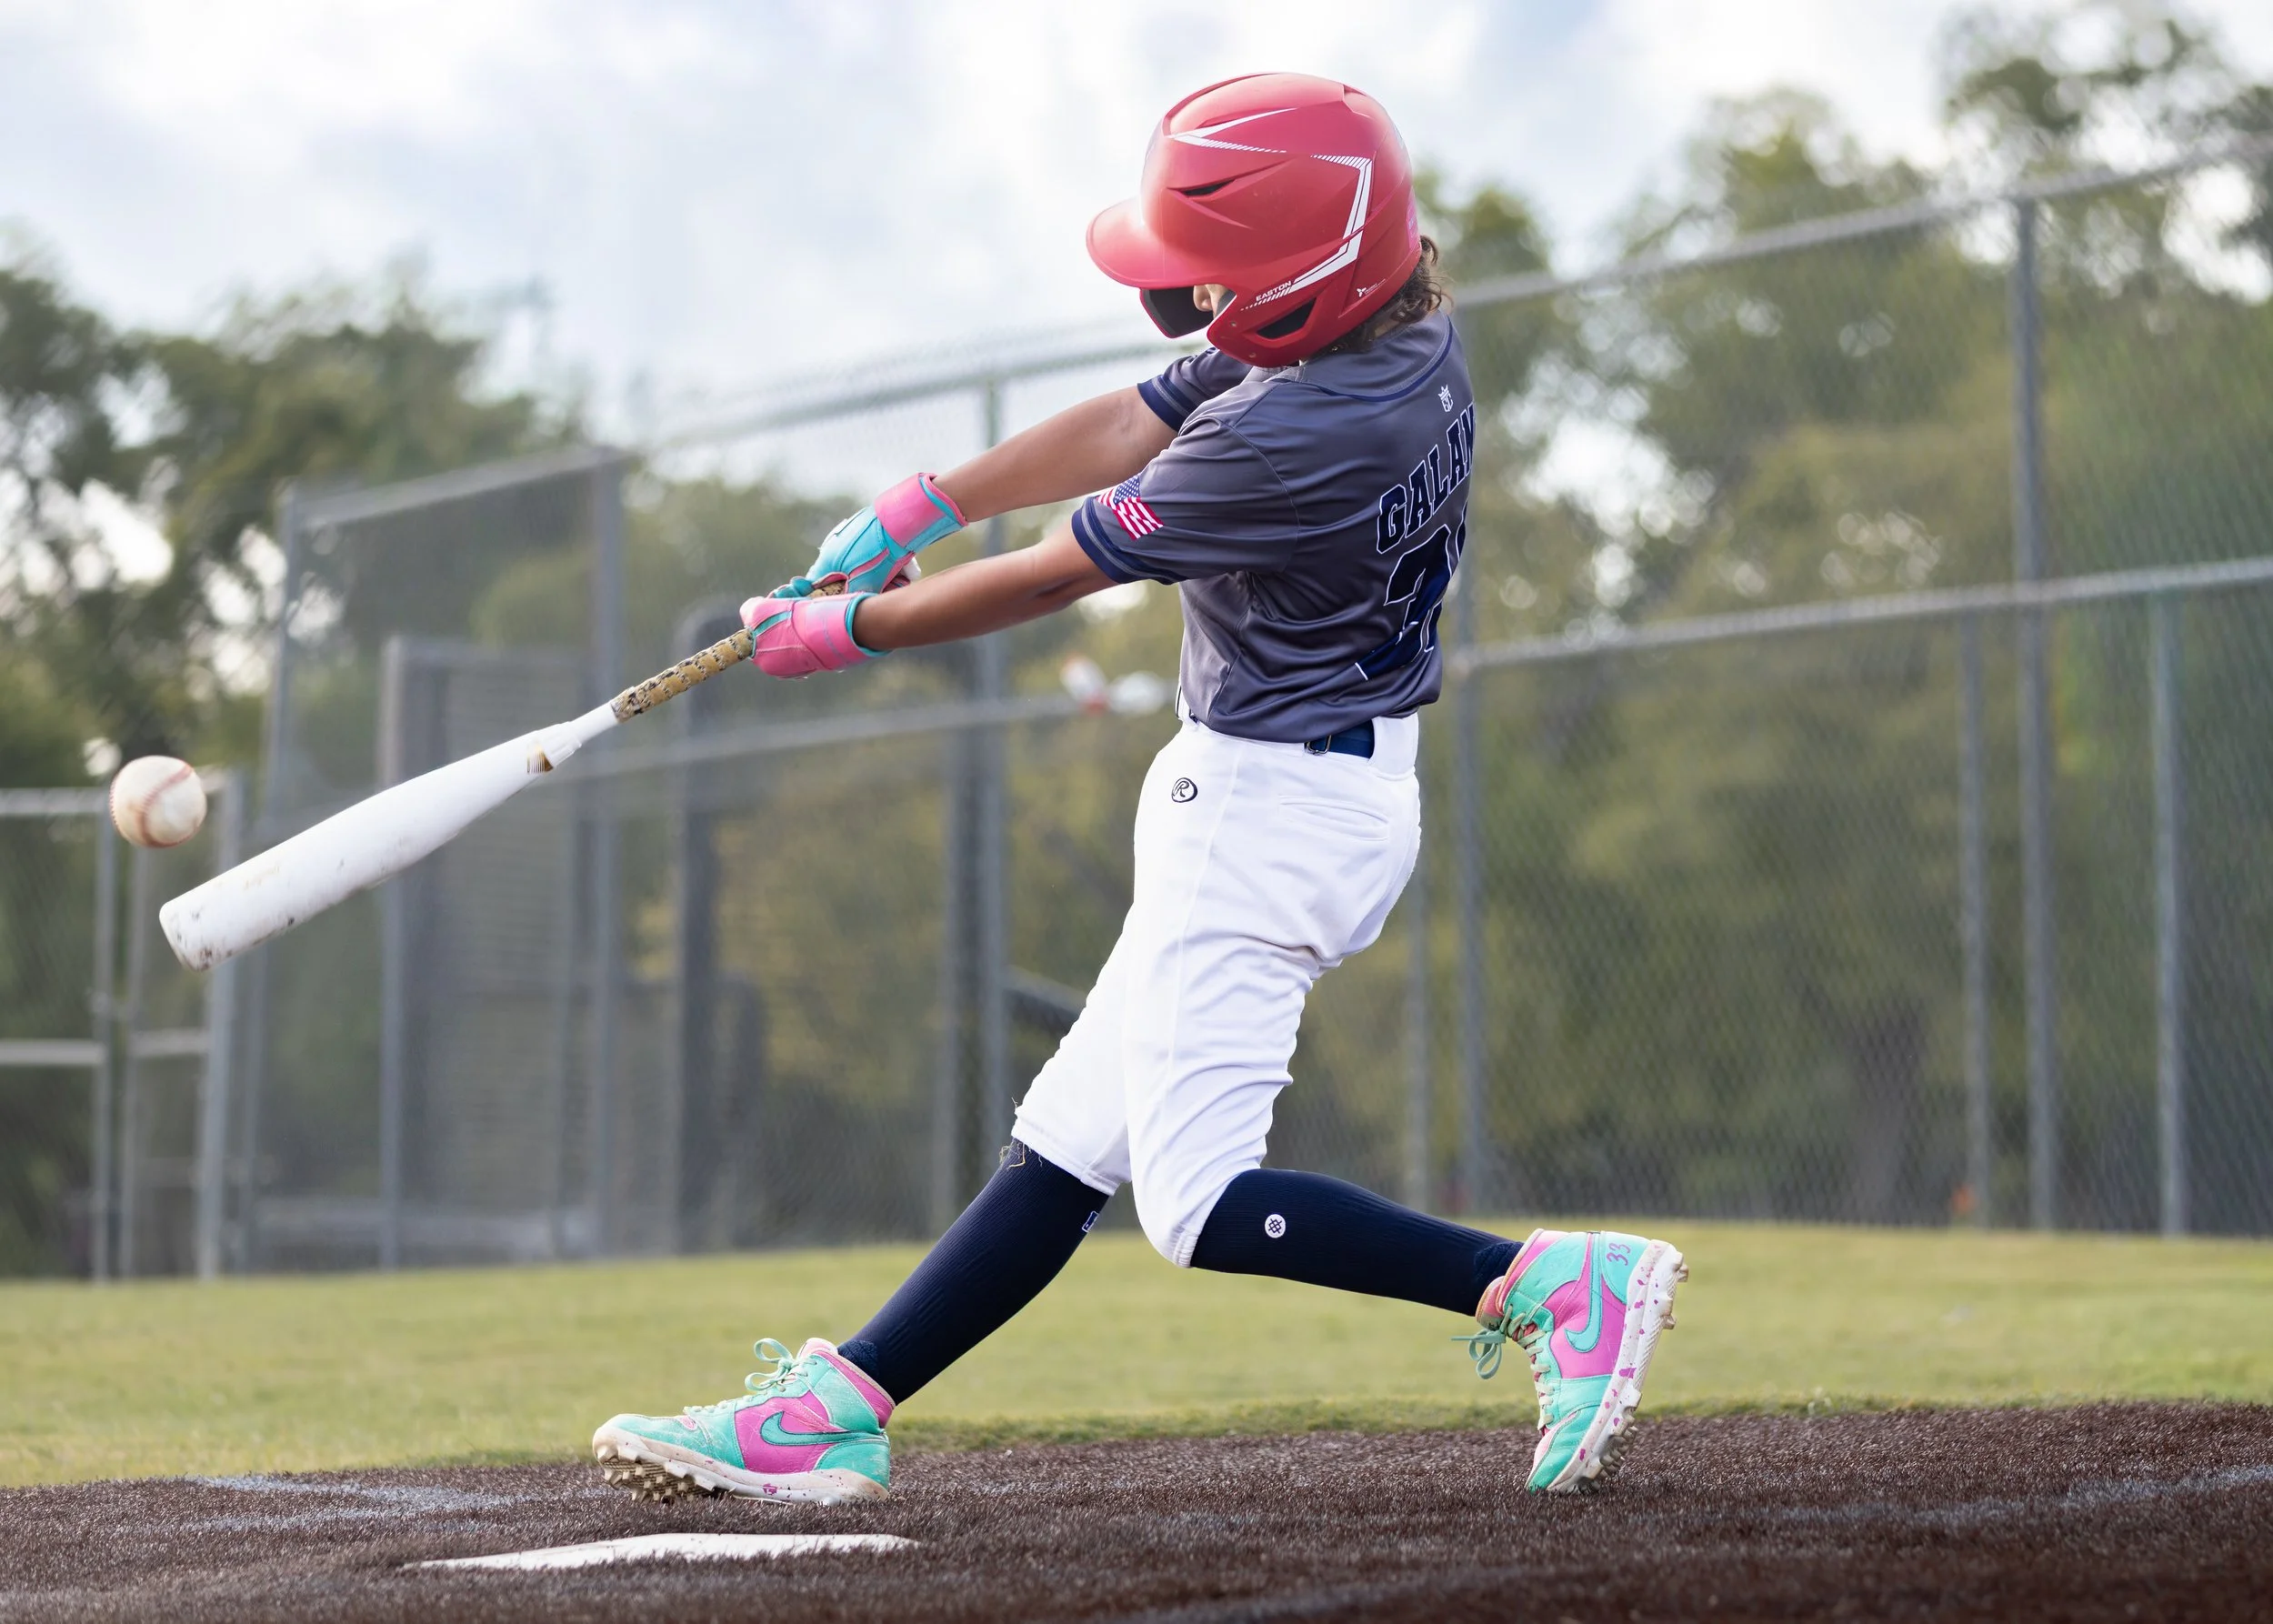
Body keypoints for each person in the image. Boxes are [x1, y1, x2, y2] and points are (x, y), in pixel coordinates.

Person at [593, 72, 1685, 1507]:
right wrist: (928, 502)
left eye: (1205, 283)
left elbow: (1057, 573)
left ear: (1296, 288)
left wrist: (846, 630)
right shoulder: (1390, 325)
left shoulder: (1297, 434)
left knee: (1199, 1203)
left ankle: (1548, 1283)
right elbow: (1132, 415)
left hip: (1263, 809)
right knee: (1066, 1138)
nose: (1182, 305)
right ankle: (840, 1405)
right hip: (1311, 789)